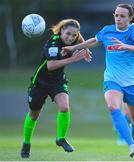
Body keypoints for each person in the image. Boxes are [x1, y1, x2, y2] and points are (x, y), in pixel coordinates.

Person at [62, 4, 134, 158]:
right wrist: (73, 48)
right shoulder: (107, 30)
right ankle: (132, 145)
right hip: (112, 79)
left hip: (133, 82)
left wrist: (126, 46)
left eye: (122, 16)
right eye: (116, 15)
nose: (118, 18)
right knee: (112, 106)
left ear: (130, 18)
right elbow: (94, 41)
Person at [20, 19, 92, 158]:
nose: (70, 38)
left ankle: (60, 138)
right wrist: (73, 59)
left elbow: (79, 37)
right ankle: (26, 143)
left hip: (58, 81)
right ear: (61, 31)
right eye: (68, 34)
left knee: (64, 107)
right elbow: (51, 66)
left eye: (73, 36)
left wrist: (85, 48)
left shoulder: (74, 39)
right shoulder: (54, 43)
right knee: (34, 115)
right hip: (40, 82)